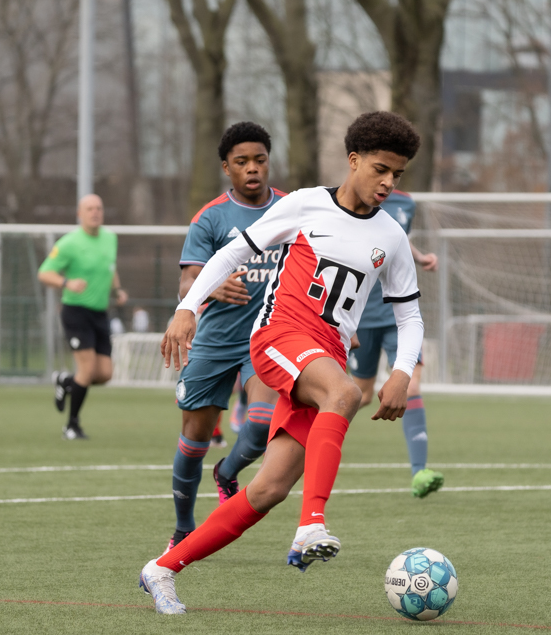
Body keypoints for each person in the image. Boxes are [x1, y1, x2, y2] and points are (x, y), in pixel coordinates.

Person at [138, 111, 424, 615]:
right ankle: (311, 525)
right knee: (346, 394)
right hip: (279, 336)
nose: (388, 182)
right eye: (380, 169)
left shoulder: (392, 237)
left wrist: (402, 372)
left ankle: (163, 568)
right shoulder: (306, 204)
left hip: (326, 356)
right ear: (353, 160)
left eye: (397, 175)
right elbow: (229, 257)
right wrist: (187, 309)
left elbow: (410, 317)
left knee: (267, 489)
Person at [166, 122, 286, 551]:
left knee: (259, 425)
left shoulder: (292, 209)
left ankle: (227, 472)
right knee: (194, 438)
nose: (253, 168)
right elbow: (187, 282)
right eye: (242, 162)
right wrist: (210, 285)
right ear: (226, 168)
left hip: (268, 338)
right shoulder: (211, 217)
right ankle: (183, 529)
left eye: (259, 160)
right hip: (216, 339)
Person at [347, 189, 444, 498]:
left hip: (397, 315)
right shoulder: (350, 197)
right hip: (360, 315)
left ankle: (419, 472)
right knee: (357, 395)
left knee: (410, 385)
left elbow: (397, 239)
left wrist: (419, 256)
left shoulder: (406, 203)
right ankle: (304, 437)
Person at [37, 194, 128, 440]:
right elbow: (44, 273)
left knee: (105, 374)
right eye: (89, 208)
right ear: (79, 213)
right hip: (75, 311)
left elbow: (111, 266)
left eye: (99, 207)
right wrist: (66, 282)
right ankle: (72, 426)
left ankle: (67, 381)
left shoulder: (110, 238)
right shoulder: (69, 243)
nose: (95, 212)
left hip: (100, 313)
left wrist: (117, 290)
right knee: (86, 370)